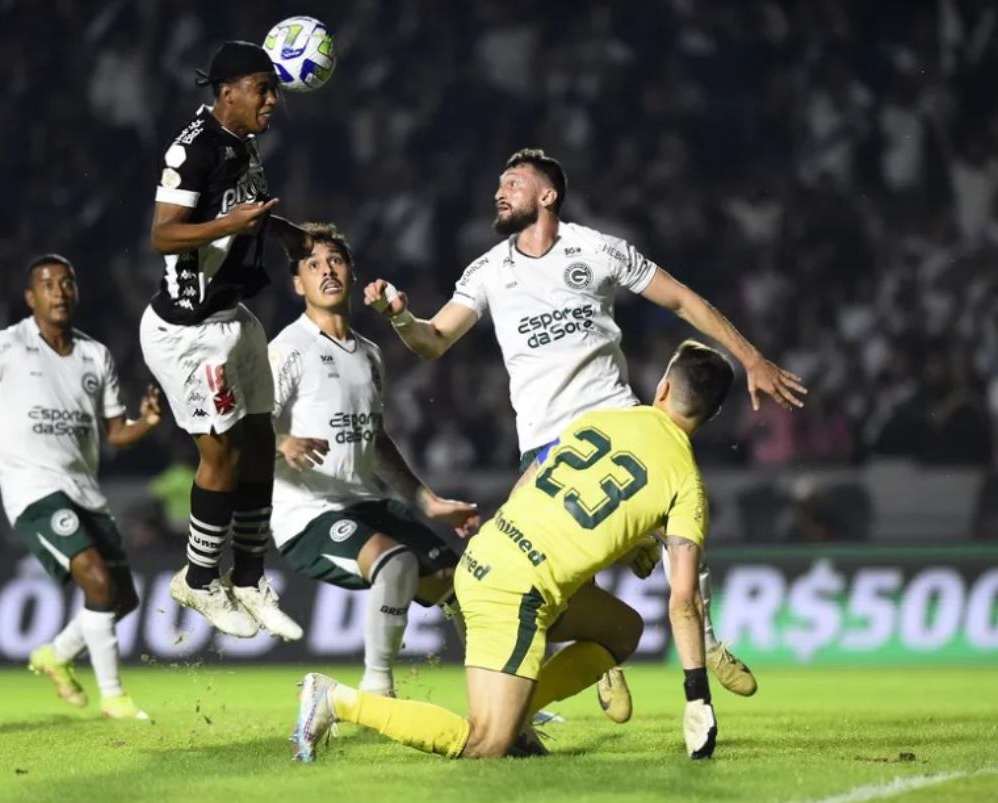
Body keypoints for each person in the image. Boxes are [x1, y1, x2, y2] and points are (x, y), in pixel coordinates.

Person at [364, 148, 808, 714]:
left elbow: (681, 299)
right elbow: (433, 341)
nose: (500, 192)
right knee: (543, 562)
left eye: (514, 182)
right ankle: (602, 656)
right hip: (546, 443)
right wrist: (401, 316)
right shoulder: (486, 272)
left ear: (547, 196)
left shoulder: (596, 249)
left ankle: (707, 640)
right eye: (499, 183)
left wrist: (750, 357)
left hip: (617, 422)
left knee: (679, 522)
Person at [292, 340, 732, 760]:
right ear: (712, 416)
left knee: (623, 629)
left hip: (492, 555)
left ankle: (516, 710)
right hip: (517, 593)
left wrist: (624, 542)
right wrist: (697, 696)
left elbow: (532, 489)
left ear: (664, 387)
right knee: (485, 744)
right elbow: (684, 601)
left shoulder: (603, 419)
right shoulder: (687, 484)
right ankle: (336, 700)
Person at [0, 254, 160, 719]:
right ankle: (113, 696)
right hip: (31, 489)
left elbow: (116, 431)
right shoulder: (5, 346)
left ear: (76, 292)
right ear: (30, 297)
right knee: (97, 580)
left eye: (66, 283)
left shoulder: (96, 356)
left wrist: (146, 423)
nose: (59, 291)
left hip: (85, 490)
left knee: (120, 598)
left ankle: (56, 654)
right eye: (47, 284)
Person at [268, 223, 480, 696]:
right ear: (298, 283)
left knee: (464, 586)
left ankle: (497, 694)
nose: (327, 271)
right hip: (309, 516)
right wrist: (281, 442)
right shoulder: (287, 350)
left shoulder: (369, 354)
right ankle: (377, 689)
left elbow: (376, 441)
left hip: (367, 503)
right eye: (313, 265)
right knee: (396, 564)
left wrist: (427, 502)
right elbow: (243, 426)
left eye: (335, 261)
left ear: (350, 272)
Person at [139, 41, 302, 640]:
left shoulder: (243, 144)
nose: (273, 99)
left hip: (234, 318)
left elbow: (249, 211)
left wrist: (283, 233)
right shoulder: (192, 149)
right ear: (228, 90)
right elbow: (164, 234)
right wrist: (229, 224)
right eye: (263, 87)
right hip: (190, 330)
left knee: (260, 440)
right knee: (222, 455)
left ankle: (251, 577)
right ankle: (199, 581)